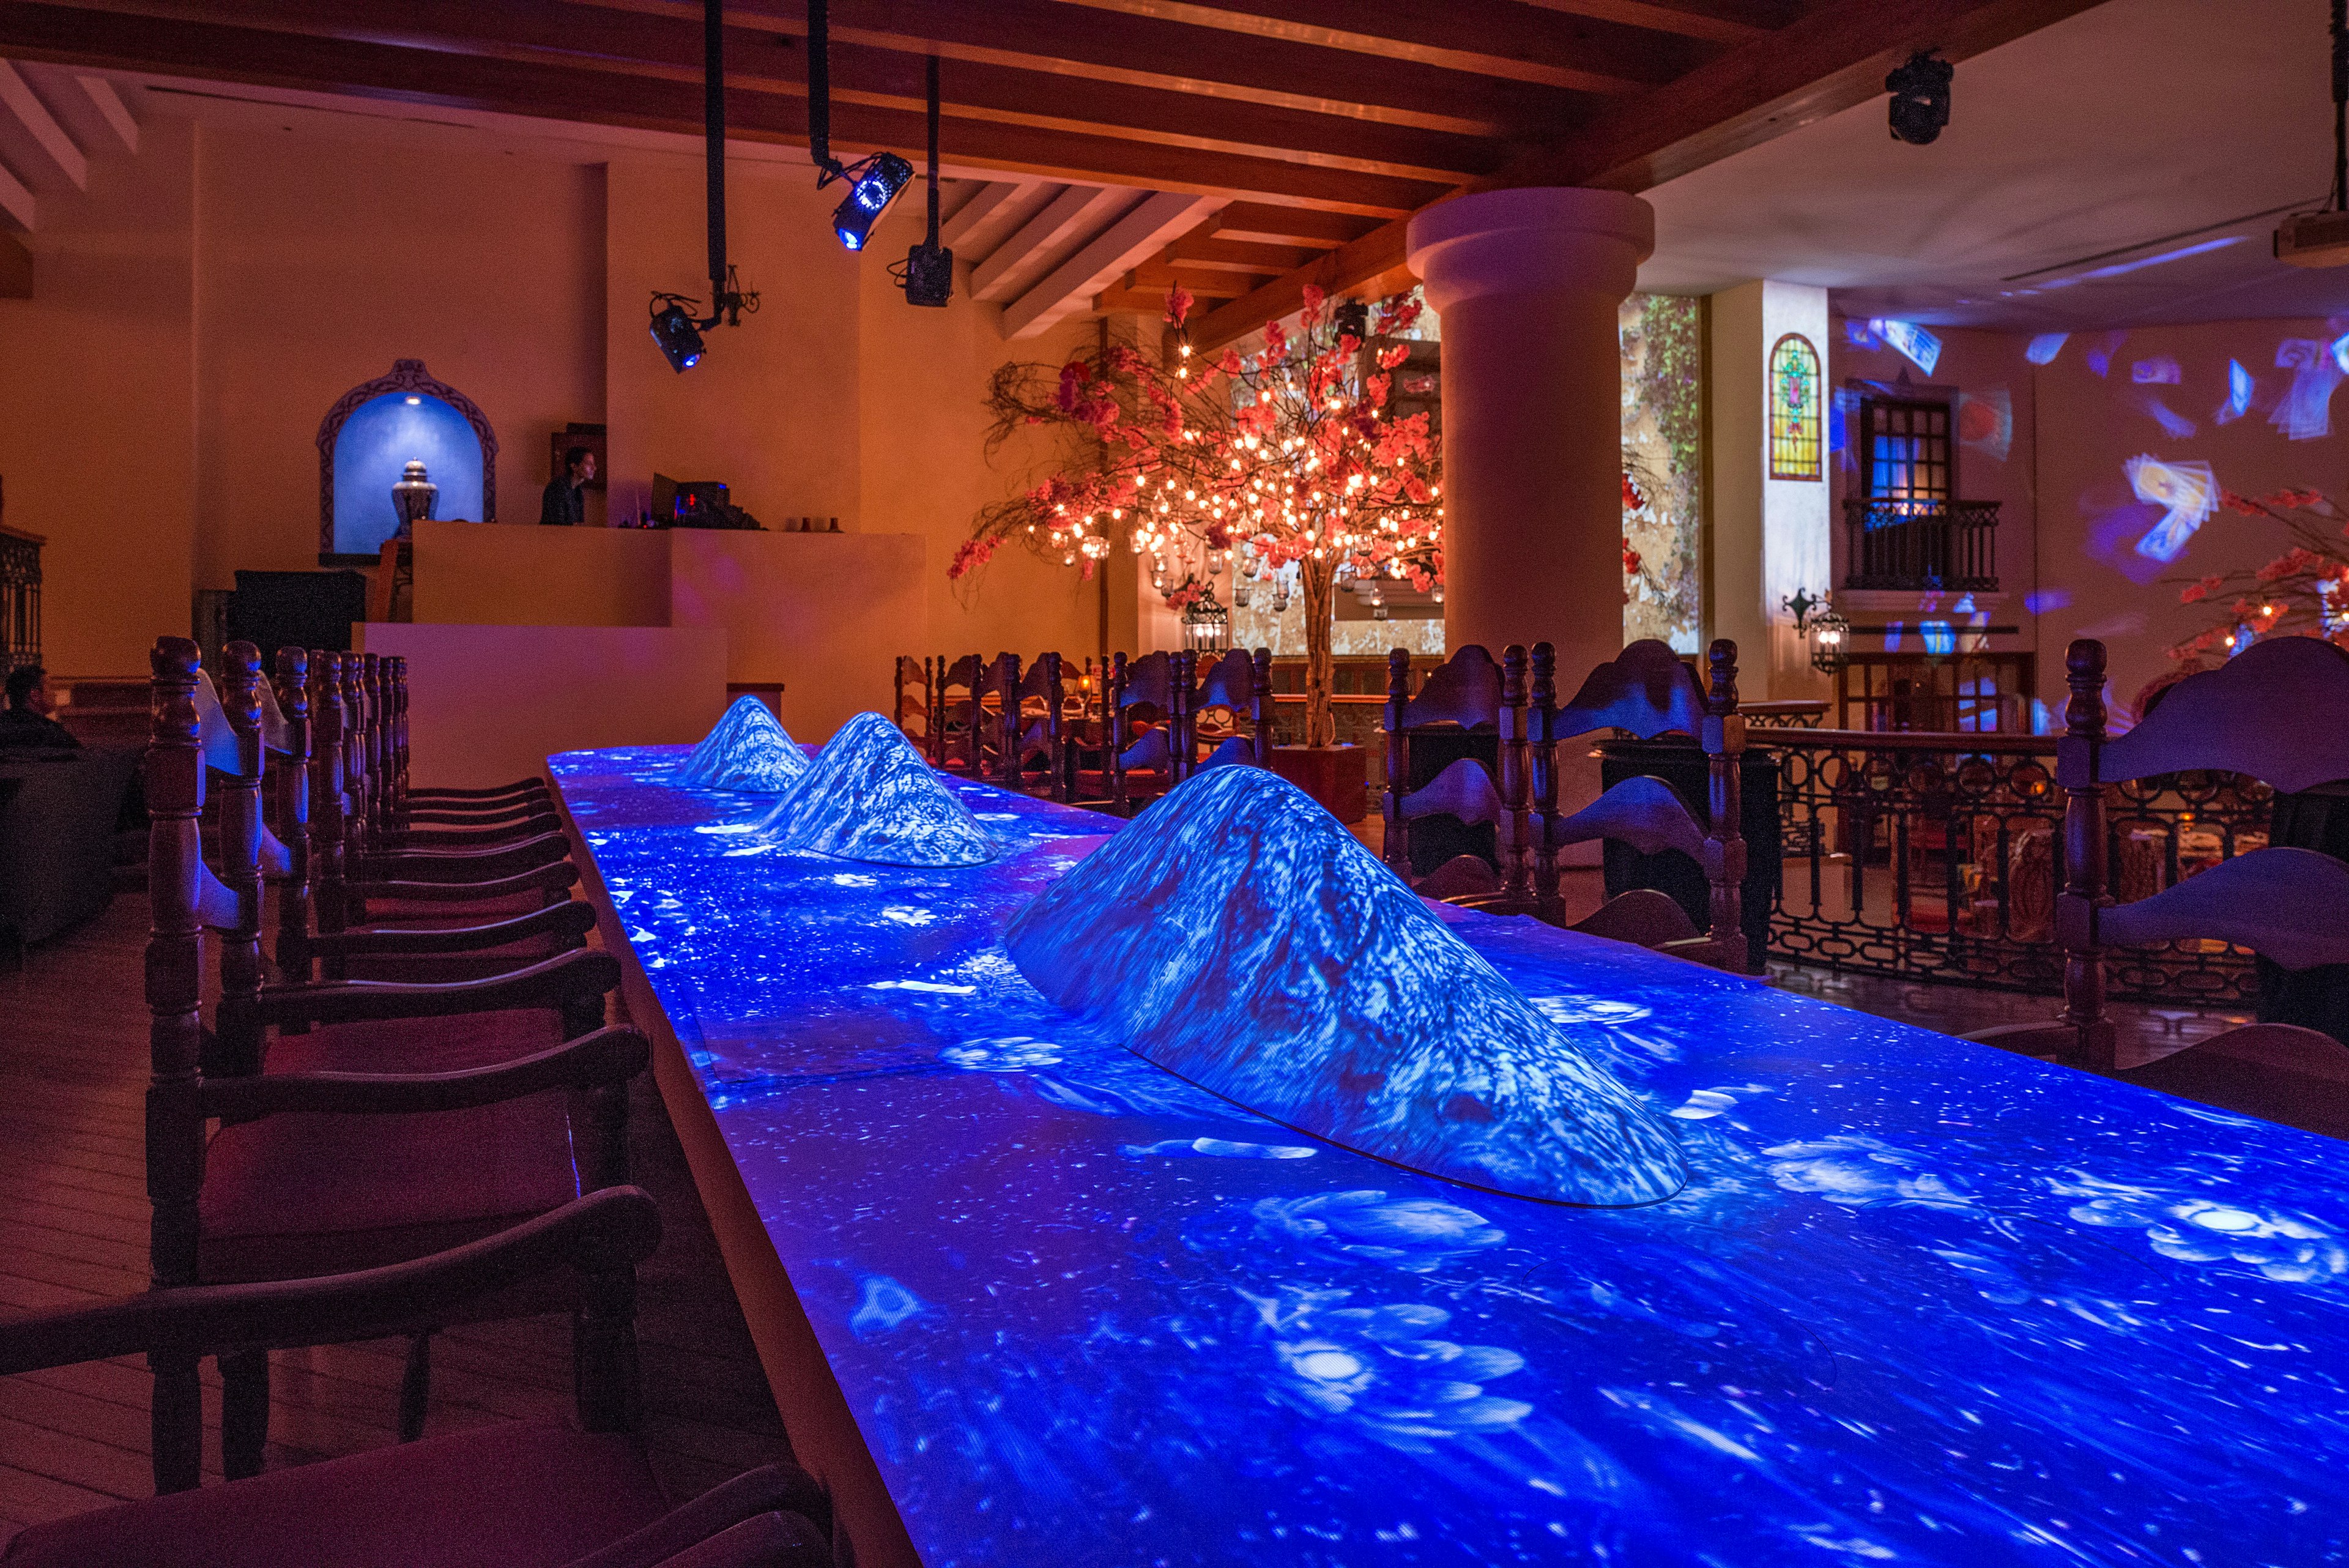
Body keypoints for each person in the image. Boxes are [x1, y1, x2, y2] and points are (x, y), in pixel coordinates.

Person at [0, 664, 80, 748]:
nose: (54, 694)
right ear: (35, 696)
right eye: (50, 687)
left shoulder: (4, 726)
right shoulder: (53, 735)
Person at [540, 445, 596, 526]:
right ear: (574, 466)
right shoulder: (557, 488)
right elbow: (557, 525)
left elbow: (577, 523)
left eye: (593, 464)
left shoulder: (578, 490)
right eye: (588, 464)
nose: (594, 468)